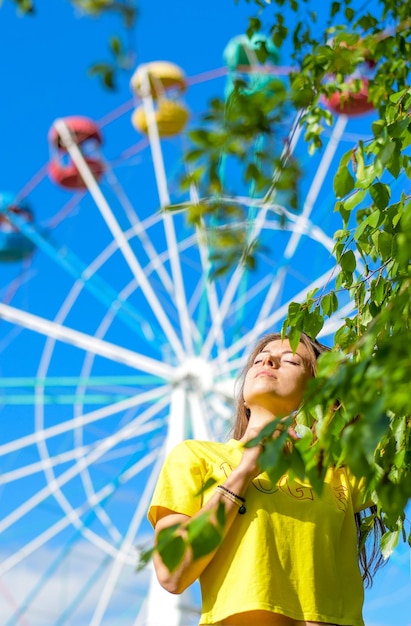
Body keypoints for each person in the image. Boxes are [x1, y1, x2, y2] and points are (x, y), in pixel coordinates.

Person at [148, 332, 384, 626]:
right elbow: (172, 573)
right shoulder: (195, 457)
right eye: (259, 359)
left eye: (291, 360)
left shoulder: (342, 474)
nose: (267, 360)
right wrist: (245, 471)